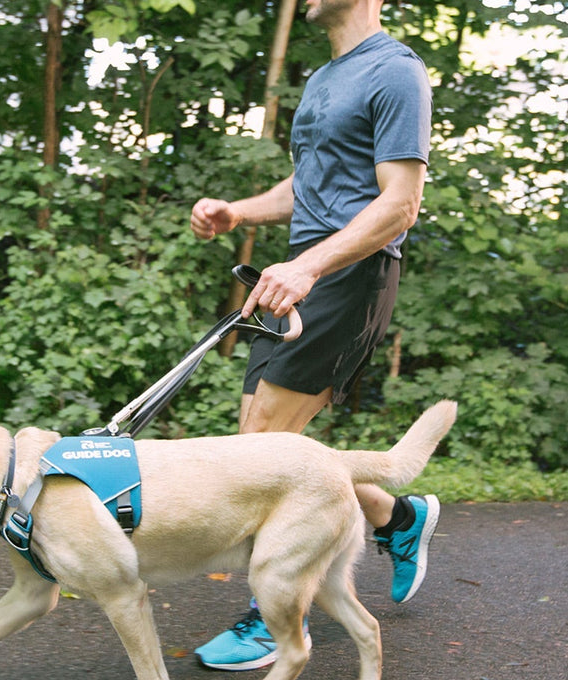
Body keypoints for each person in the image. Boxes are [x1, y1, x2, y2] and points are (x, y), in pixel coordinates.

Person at [186, 0, 440, 671]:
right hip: (296, 274)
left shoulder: (395, 72)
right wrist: (235, 210)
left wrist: (308, 266)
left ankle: (273, 614)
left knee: (259, 458)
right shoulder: (326, 78)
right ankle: (392, 516)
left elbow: (398, 203)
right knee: (268, 445)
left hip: (344, 275)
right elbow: (308, 188)